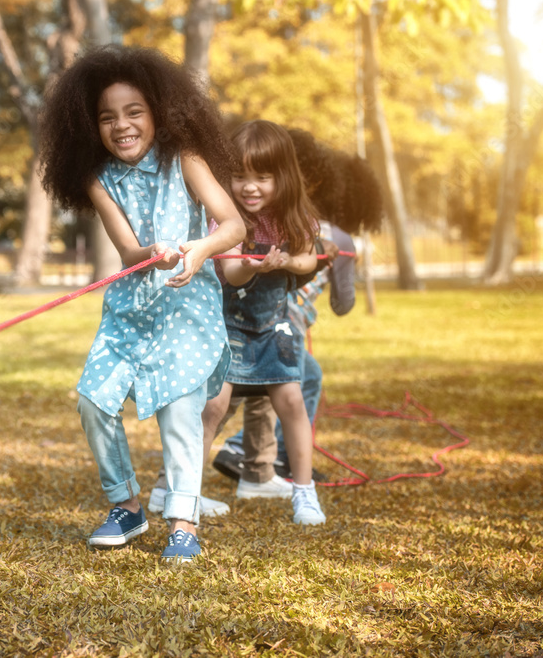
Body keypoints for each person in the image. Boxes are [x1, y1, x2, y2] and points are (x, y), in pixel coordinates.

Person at [38, 45, 245, 562]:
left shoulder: (186, 160)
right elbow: (127, 248)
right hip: (129, 309)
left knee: (180, 413)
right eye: (108, 117)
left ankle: (183, 523)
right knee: (93, 399)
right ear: (92, 126)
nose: (122, 126)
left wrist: (200, 248)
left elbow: (234, 223)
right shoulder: (97, 178)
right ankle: (126, 506)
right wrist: (148, 253)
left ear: (158, 113)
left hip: (185, 307)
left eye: (134, 112)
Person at [200, 119, 327, 526]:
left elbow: (310, 259)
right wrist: (254, 268)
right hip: (229, 324)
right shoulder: (226, 217)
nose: (250, 187)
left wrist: (286, 261)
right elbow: (233, 273)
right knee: (213, 406)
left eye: (262, 177)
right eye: (239, 176)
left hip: (275, 325)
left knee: (291, 400)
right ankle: (183, 491)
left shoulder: (294, 215)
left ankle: (304, 493)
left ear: (283, 177)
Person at [213, 222, 356, 485]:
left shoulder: (293, 219)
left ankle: (264, 465)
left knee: (299, 382)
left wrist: (312, 258)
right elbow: (343, 303)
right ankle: (238, 452)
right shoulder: (336, 235)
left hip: (269, 320)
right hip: (273, 322)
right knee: (221, 402)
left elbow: (300, 265)